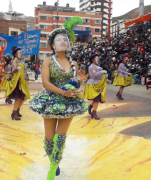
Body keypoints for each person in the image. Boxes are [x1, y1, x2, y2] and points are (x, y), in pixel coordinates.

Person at [30, 16, 88, 180]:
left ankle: (51, 171)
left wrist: (78, 82)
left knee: (60, 138)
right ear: (53, 44)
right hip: (50, 101)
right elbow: (46, 83)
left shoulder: (74, 63)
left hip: (69, 103)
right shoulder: (47, 60)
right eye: (59, 39)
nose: (63, 41)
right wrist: (63, 92)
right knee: (49, 139)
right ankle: (53, 162)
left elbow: (73, 85)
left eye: (65, 39)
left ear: (69, 43)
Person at [4, 46, 30, 120]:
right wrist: (17, 69)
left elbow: (23, 71)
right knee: (18, 98)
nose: (20, 53)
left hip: (23, 81)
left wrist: (26, 73)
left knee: (22, 98)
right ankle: (14, 113)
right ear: (15, 54)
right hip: (17, 82)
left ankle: (17, 111)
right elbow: (12, 70)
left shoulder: (20, 61)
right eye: (18, 52)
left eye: (21, 52)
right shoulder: (15, 61)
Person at [83, 53, 107, 120]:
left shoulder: (96, 66)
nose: (98, 59)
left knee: (97, 99)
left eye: (98, 58)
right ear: (93, 60)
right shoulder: (92, 66)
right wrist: (102, 72)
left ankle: (90, 107)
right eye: (97, 58)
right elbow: (94, 75)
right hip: (93, 84)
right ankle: (94, 112)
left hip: (97, 84)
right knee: (96, 99)